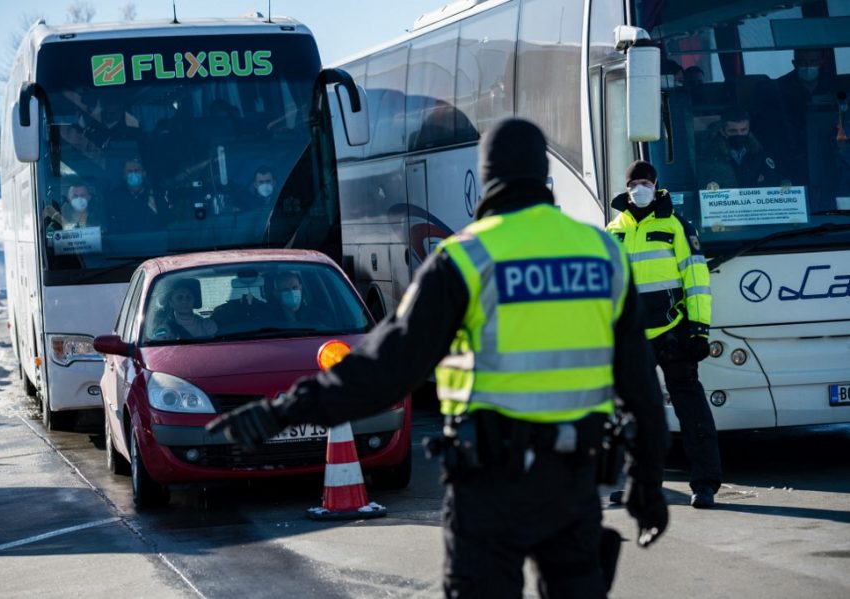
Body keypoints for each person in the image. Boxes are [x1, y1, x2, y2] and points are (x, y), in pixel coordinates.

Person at [206, 118, 670, 598]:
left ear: (485, 178)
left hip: (490, 488)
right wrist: (647, 485)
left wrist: (280, 411)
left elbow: (386, 370)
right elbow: (640, 386)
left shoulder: (465, 259)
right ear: (543, 174)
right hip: (573, 485)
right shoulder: (601, 254)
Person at [606, 160, 721, 509]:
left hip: (673, 332)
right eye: (633, 182)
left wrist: (699, 330)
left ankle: (704, 485)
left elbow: (696, 280)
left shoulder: (676, 225)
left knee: (691, 409)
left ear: (655, 185)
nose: (638, 188)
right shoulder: (613, 230)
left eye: (644, 181)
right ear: (626, 188)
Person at [695, 107, 780, 189]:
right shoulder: (710, 155)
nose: (739, 134)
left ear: (749, 129)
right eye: (733, 131)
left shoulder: (759, 152)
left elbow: (773, 181)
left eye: (743, 130)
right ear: (723, 131)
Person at [106, 158, 164, 232]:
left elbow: (165, 222)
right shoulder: (113, 197)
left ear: (144, 173)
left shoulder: (156, 194)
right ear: (124, 175)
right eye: (130, 171)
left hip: (152, 238)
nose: (133, 174)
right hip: (124, 240)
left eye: (136, 171)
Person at [150, 278, 217, 340]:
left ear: (194, 300)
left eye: (188, 297)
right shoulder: (164, 330)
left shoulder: (207, 325)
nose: (185, 301)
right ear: (171, 303)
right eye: (179, 298)